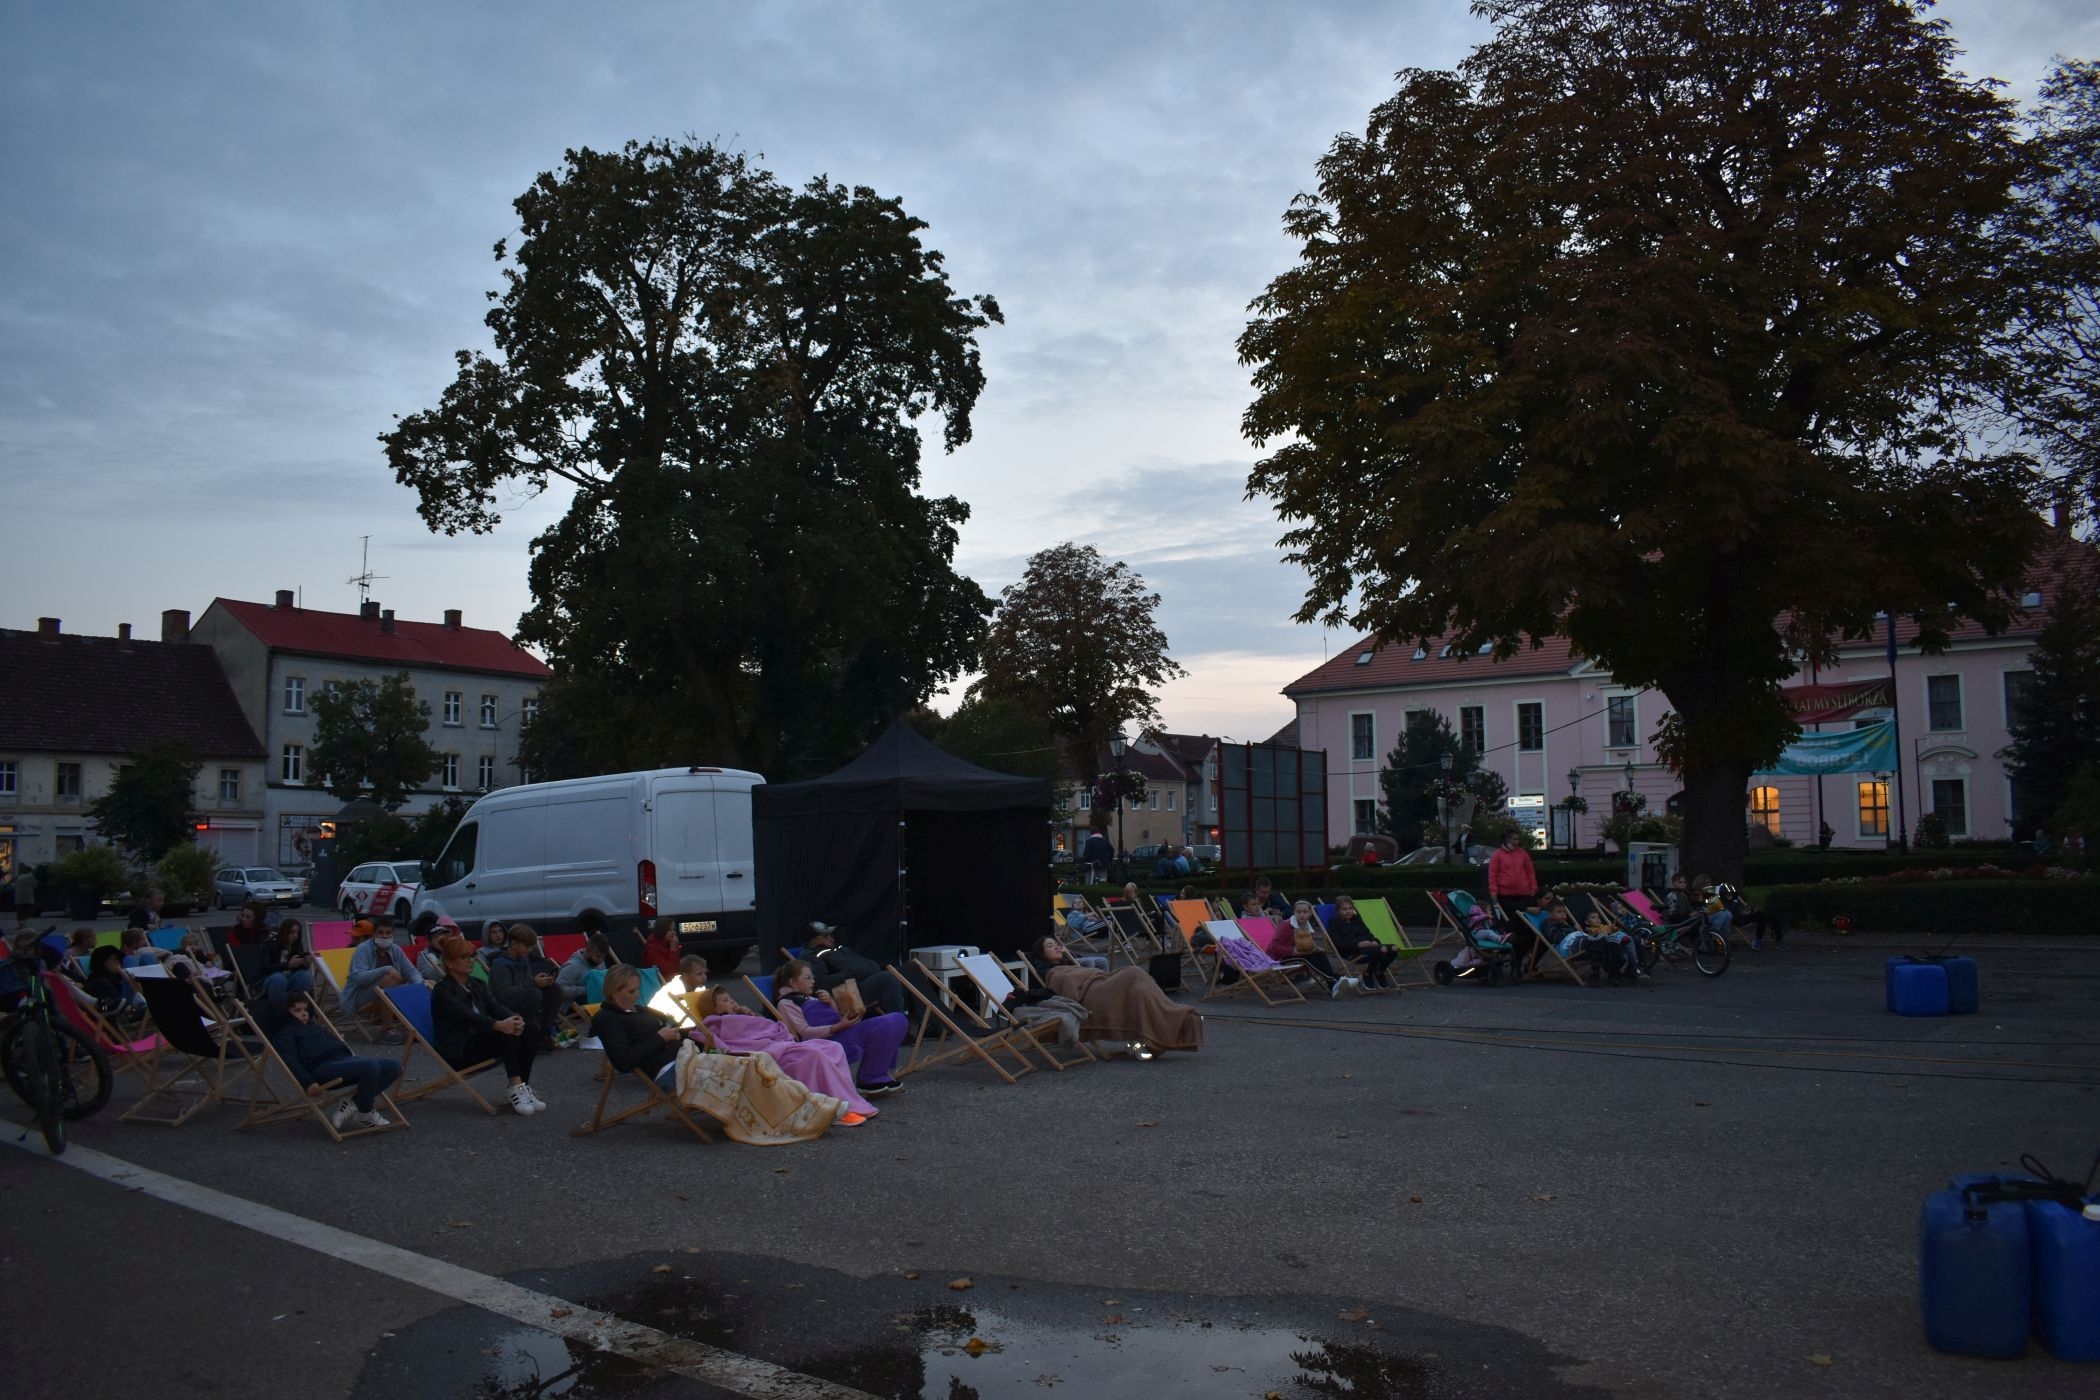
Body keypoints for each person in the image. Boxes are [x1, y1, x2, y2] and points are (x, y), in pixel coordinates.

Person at [590, 966, 856, 1140]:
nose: (637, 996)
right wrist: (660, 1037)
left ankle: (812, 1106)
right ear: (615, 993)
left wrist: (696, 1031)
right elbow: (623, 1062)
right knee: (749, 1068)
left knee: (760, 1061)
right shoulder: (607, 1019)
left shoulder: (637, 1011)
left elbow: (674, 1030)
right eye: (631, 991)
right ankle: (807, 1113)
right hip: (671, 1070)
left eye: (637, 990)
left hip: (689, 1057)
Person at [702, 986, 882, 1118]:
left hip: (781, 1044)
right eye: (725, 1001)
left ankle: (844, 1097)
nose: (733, 1002)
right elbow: (731, 1045)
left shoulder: (742, 1017)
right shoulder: (716, 1023)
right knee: (814, 1055)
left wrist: (752, 1017)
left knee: (833, 1047)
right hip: (768, 1053)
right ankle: (826, 1106)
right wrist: (741, 1022)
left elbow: (770, 1029)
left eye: (732, 999)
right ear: (713, 1009)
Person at [1029, 935, 1203, 1056]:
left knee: (1140, 991)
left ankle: (1164, 1023)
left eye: (1057, 944)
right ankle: (1173, 1018)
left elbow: (1091, 972)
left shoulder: (1069, 963)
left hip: (1101, 983)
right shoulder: (1051, 972)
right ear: (1042, 954)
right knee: (1134, 974)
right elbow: (1068, 989)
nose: (1057, 947)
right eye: (1050, 946)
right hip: (1093, 993)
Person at [429, 933, 542, 1115]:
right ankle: (516, 1087)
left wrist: (515, 1018)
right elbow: (467, 1016)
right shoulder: (443, 990)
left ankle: (522, 1087)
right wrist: (500, 1025)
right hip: (459, 1049)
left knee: (530, 1028)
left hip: (479, 1040)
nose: (470, 961)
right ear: (449, 963)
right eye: (464, 957)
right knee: (506, 1033)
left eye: (472, 956)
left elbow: (496, 1006)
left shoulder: (477, 984)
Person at [267, 993, 403, 1131]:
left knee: (394, 1066)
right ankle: (365, 1112)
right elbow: (291, 1061)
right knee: (371, 1066)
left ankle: (354, 1102)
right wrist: (307, 1082)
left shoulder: (314, 1027)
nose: (304, 1014)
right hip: (323, 1067)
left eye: (305, 1009)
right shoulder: (285, 1035)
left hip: (343, 1060)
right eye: (297, 1010)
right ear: (286, 1013)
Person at [773, 957, 907, 1096]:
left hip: (843, 1031)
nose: (813, 981)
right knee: (887, 1023)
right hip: (827, 1042)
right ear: (793, 983)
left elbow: (834, 1016)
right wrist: (837, 1027)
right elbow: (804, 1033)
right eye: (807, 978)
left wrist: (831, 1003)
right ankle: (869, 1078)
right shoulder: (786, 1003)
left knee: (897, 1020)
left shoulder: (811, 997)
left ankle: (875, 1074)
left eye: (813, 977)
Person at [801, 923, 908, 1018]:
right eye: (825, 936)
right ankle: (900, 1028)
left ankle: (924, 1023)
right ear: (813, 940)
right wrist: (852, 974)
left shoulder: (837, 948)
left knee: (910, 970)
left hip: (866, 981)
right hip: (848, 994)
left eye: (830, 935)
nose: (831, 938)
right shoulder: (811, 957)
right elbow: (820, 983)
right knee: (888, 978)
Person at [343, 916, 422, 1044]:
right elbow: (359, 979)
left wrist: (417, 985)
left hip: (387, 992)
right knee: (389, 979)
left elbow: (412, 971)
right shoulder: (363, 949)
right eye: (380, 932)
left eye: (388, 933)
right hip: (360, 995)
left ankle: (417, 1026)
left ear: (393, 934)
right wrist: (385, 969)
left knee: (426, 983)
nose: (384, 936)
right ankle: (386, 1030)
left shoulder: (395, 949)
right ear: (373, 934)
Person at [488, 924, 567, 1049]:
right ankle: (528, 1033)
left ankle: (544, 1032)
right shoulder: (500, 965)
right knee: (534, 994)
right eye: (527, 946)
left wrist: (541, 981)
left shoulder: (523, 960)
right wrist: (533, 983)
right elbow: (504, 994)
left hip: (523, 997)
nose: (529, 950)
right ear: (514, 944)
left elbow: (527, 982)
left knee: (554, 990)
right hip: (505, 1005)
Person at [1275, 900, 1352, 993]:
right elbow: (1274, 947)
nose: (1302, 914)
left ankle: (1332, 985)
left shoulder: (1306, 926)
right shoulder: (1286, 925)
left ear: (1310, 913)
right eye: (1298, 912)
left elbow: (1306, 945)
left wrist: (1315, 948)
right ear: (1294, 913)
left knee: (1319, 953)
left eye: (1305, 912)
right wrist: (1292, 950)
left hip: (1298, 955)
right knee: (1305, 957)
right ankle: (1336, 979)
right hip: (1279, 958)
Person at [1325, 895, 1399, 989]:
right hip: (1352, 951)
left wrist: (1375, 941)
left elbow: (1369, 935)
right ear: (1338, 911)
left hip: (1369, 948)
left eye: (1350, 908)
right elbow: (1338, 944)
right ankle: (1368, 974)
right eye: (1344, 909)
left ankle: (1380, 971)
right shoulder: (1334, 924)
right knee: (1382, 949)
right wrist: (1358, 944)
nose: (1348, 911)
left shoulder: (1357, 921)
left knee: (1394, 948)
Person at [258, 916, 314, 1013]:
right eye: (292, 932)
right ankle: (278, 1010)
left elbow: (298, 968)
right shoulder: (269, 944)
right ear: (285, 931)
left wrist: (305, 963)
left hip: (289, 978)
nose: (295, 935)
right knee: (279, 978)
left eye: (297, 933)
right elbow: (265, 967)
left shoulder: (295, 945)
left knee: (305, 976)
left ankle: (297, 1007)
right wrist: (287, 965)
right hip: (270, 979)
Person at [83, 944, 144, 1019]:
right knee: (129, 960)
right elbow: (106, 1004)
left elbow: (139, 994)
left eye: (116, 959)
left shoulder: (119, 975)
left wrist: (122, 974)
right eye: (112, 959)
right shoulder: (97, 980)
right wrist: (121, 972)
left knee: (133, 959)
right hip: (124, 1010)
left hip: (133, 1004)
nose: (116, 962)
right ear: (104, 963)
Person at [1486, 830, 1539, 913]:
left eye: (1518, 839)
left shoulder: (1523, 853)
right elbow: (1492, 875)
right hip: (1505, 895)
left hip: (1523, 893)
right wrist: (1493, 892)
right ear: (1507, 839)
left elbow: (1530, 872)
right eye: (1515, 839)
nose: (1517, 842)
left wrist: (1533, 887)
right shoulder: (1497, 854)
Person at [557, 932, 614, 1003]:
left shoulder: (599, 962)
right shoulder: (572, 966)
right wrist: (587, 989)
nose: (601, 960)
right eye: (598, 956)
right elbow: (558, 990)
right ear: (588, 951)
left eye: (603, 957)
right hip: (574, 1004)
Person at [641, 917, 682, 983]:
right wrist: (673, 950)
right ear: (661, 930)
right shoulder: (653, 950)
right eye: (669, 930)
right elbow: (670, 972)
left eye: (674, 930)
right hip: (660, 984)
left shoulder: (668, 944)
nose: (673, 933)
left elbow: (678, 967)